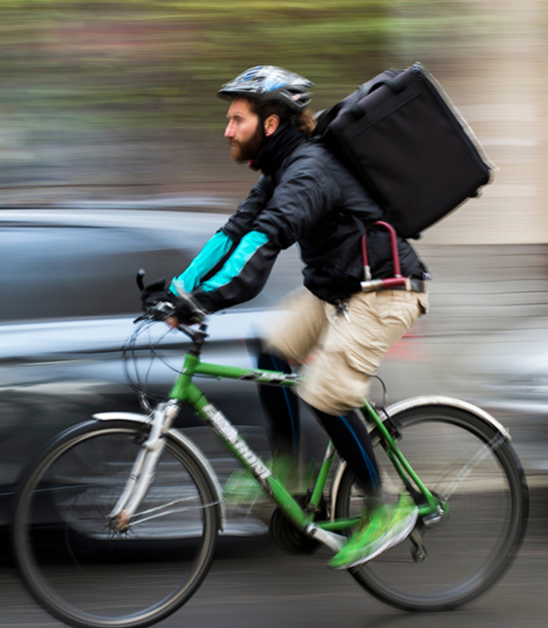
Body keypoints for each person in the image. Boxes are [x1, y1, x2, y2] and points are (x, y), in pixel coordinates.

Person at [154, 65, 429, 570]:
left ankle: (385, 508)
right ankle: (290, 472)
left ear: (271, 124)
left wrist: (208, 300)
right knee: (272, 348)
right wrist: (178, 289)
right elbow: (236, 231)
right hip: (336, 288)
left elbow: (266, 240)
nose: (227, 130)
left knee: (324, 393)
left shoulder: (309, 171)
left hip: (384, 291)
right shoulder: (279, 169)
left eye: (237, 119)